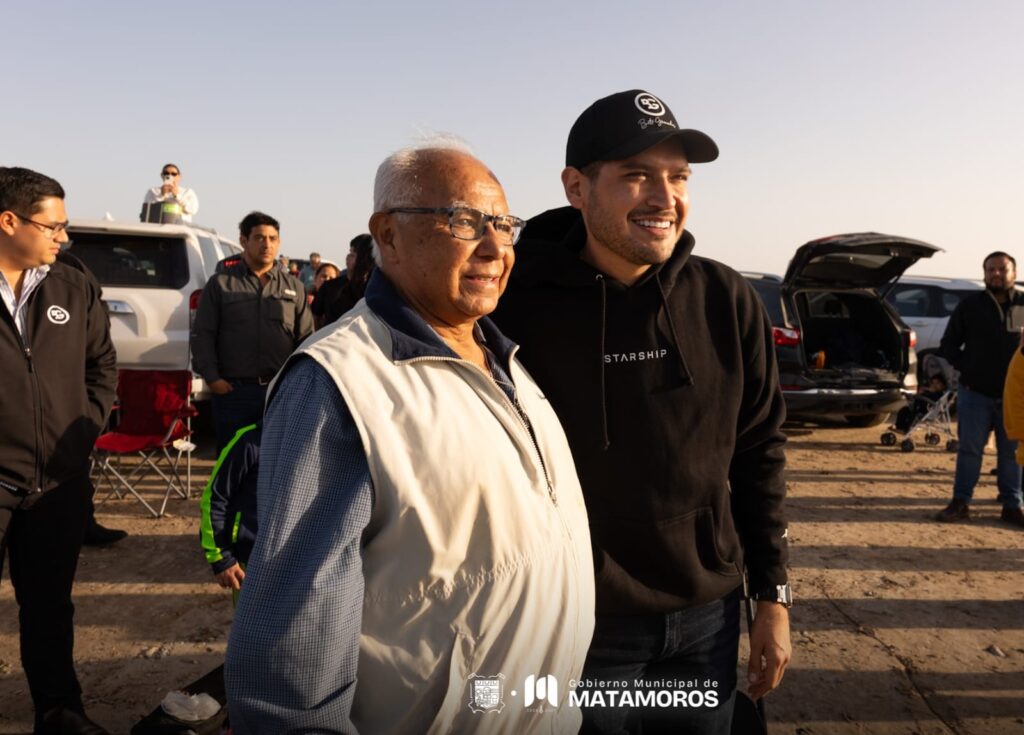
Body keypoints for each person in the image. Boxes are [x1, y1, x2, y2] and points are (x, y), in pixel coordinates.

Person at [225, 143, 595, 734]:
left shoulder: (503, 357)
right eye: (465, 222)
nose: (496, 248)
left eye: (504, 224)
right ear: (388, 236)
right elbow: (292, 656)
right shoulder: (339, 383)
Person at [491, 89, 791, 733]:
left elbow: (760, 452)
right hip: (581, 626)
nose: (664, 197)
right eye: (636, 176)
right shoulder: (512, 308)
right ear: (576, 187)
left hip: (707, 620)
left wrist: (772, 596)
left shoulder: (726, 299)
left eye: (677, 177)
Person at [0, 167, 118, 734]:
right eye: (54, 226)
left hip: (58, 485)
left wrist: (84, 429)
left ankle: (59, 709)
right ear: (9, 222)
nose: (62, 239)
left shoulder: (71, 283)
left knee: (49, 608)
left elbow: (102, 365)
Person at [190, 211, 313, 452]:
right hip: (234, 393)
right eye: (259, 238)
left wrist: (298, 385)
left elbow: (306, 339)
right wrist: (213, 379)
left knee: (277, 461)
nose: (266, 244)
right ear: (244, 241)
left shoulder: (294, 288)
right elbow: (203, 333)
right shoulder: (221, 284)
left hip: (279, 392)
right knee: (232, 464)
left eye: (272, 238)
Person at [936, 251, 1024, 527]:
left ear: (1014, 273)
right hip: (975, 392)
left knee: (1012, 452)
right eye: (990, 270)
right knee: (970, 450)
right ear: (984, 273)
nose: (996, 274)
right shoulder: (970, 305)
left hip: (1015, 395)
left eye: (1002, 269)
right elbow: (948, 345)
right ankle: (961, 502)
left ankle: (1012, 505)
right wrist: (969, 367)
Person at [199, 422, 261, 603]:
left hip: (303, 564)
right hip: (250, 562)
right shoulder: (249, 440)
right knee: (253, 628)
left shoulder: (322, 442)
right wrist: (221, 558)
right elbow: (215, 498)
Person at [311, 233, 375, 327]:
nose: (347, 257)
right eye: (349, 253)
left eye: (353, 255)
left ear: (365, 260)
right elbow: (314, 317)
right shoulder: (331, 287)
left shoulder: (374, 291)